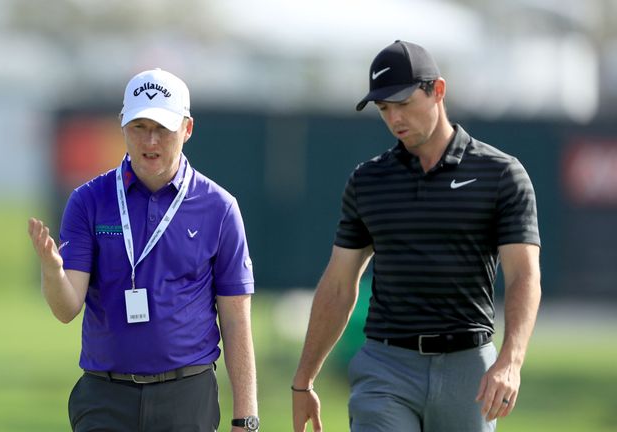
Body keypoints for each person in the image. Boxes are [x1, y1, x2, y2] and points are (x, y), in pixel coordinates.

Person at [291, 40, 541, 432]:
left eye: (403, 103)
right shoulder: (368, 181)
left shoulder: (502, 175)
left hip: (469, 368)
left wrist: (510, 361)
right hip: (386, 367)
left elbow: (524, 275)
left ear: (437, 91)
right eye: (384, 109)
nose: (394, 118)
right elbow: (339, 285)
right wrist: (303, 380)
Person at [28, 68, 259, 432]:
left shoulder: (219, 207)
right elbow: (66, 308)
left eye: (162, 128)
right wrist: (52, 272)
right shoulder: (89, 200)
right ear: (122, 125)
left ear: (187, 129)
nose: (150, 141)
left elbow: (235, 319)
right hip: (105, 396)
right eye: (139, 127)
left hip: (187, 395)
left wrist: (245, 417)